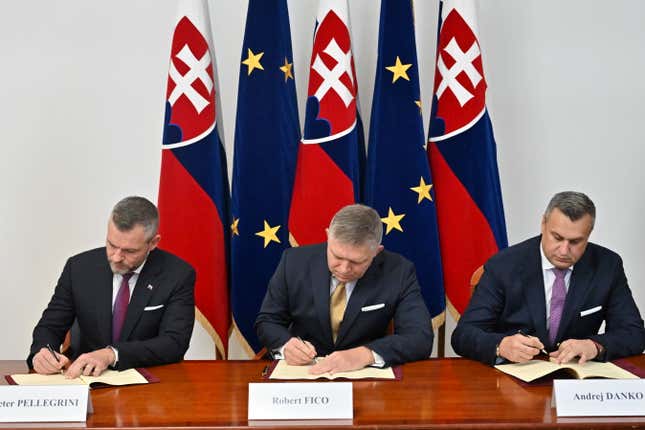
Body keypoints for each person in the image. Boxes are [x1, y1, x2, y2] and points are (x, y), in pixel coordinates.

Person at [452, 191, 645, 366]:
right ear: (543, 224)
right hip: (512, 380)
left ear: (589, 234)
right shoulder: (504, 265)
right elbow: (463, 335)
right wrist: (500, 346)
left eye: (575, 242)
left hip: (576, 380)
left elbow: (634, 333)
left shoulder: (607, 266)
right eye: (557, 237)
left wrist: (595, 345)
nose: (564, 250)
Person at [28, 196, 195, 378]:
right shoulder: (79, 268)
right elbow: (50, 326)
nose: (116, 257)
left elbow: (174, 342)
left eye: (129, 251)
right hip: (84, 378)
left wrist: (112, 354)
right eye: (111, 245)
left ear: (153, 243)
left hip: (148, 383)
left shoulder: (177, 274)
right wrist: (42, 353)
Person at [255, 204, 433, 374]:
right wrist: (286, 346)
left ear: (376, 252)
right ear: (327, 236)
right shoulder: (293, 262)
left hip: (366, 376)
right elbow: (267, 321)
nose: (344, 268)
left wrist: (366, 354)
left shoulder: (399, 271)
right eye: (337, 256)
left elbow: (420, 337)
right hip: (305, 373)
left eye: (356, 262)